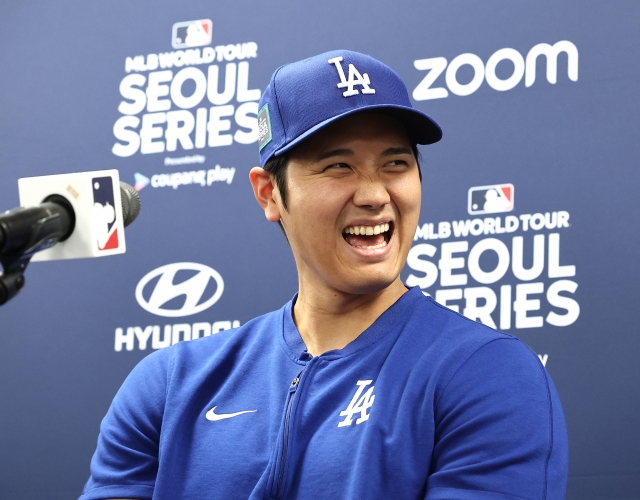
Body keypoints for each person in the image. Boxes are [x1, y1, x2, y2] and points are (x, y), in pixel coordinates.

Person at [80, 50, 568, 500]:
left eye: (395, 164)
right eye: (339, 166)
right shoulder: (171, 385)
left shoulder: (488, 373)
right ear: (269, 194)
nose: (375, 194)